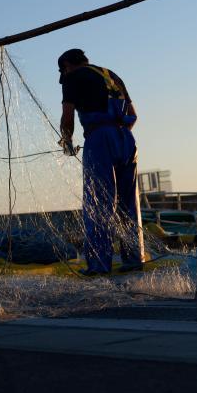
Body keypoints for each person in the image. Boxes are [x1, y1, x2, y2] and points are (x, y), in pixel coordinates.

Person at [58, 48, 144, 276]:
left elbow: (68, 117)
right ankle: (134, 258)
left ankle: (98, 265)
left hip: (99, 138)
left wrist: (67, 141)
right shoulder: (111, 74)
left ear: (67, 65)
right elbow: (133, 113)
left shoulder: (72, 77)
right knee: (128, 203)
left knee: (98, 202)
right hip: (126, 138)